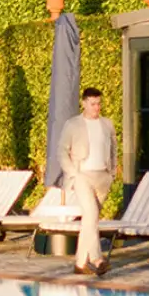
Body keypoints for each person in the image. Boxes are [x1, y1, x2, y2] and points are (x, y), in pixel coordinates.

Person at [58, 86, 117, 277]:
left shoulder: (107, 124)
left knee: (90, 221)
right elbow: (62, 151)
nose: (96, 108)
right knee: (90, 214)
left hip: (103, 176)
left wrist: (112, 174)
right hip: (82, 175)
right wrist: (73, 174)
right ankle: (97, 259)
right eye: (92, 104)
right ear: (84, 103)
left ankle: (79, 263)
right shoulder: (73, 124)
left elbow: (114, 149)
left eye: (99, 104)